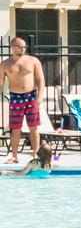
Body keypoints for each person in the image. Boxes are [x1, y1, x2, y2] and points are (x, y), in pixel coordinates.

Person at [3, 35, 46, 165]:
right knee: (15, 128)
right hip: (15, 97)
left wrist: (39, 96)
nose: (23, 49)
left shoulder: (33, 61)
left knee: (33, 127)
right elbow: (0, 84)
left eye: (24, 47)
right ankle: (14, 156)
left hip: (31, 96)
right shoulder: (5, 64)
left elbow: (41, 80)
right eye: (20, 47)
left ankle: (35, 154)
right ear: (12, 48)